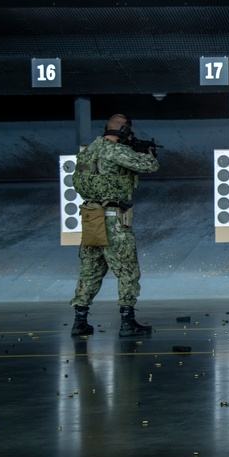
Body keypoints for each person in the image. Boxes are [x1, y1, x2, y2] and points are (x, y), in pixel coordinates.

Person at [70, 114, 160, 338]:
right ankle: (127, 322)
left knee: (91, 269)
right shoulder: (116, 150)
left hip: (91, 215)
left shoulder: (90, 150)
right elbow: (150, 166)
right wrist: (145, 151)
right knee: (128, 270)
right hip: (112, 217)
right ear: (126, 130)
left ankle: (79, 320)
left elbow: (77, 181)